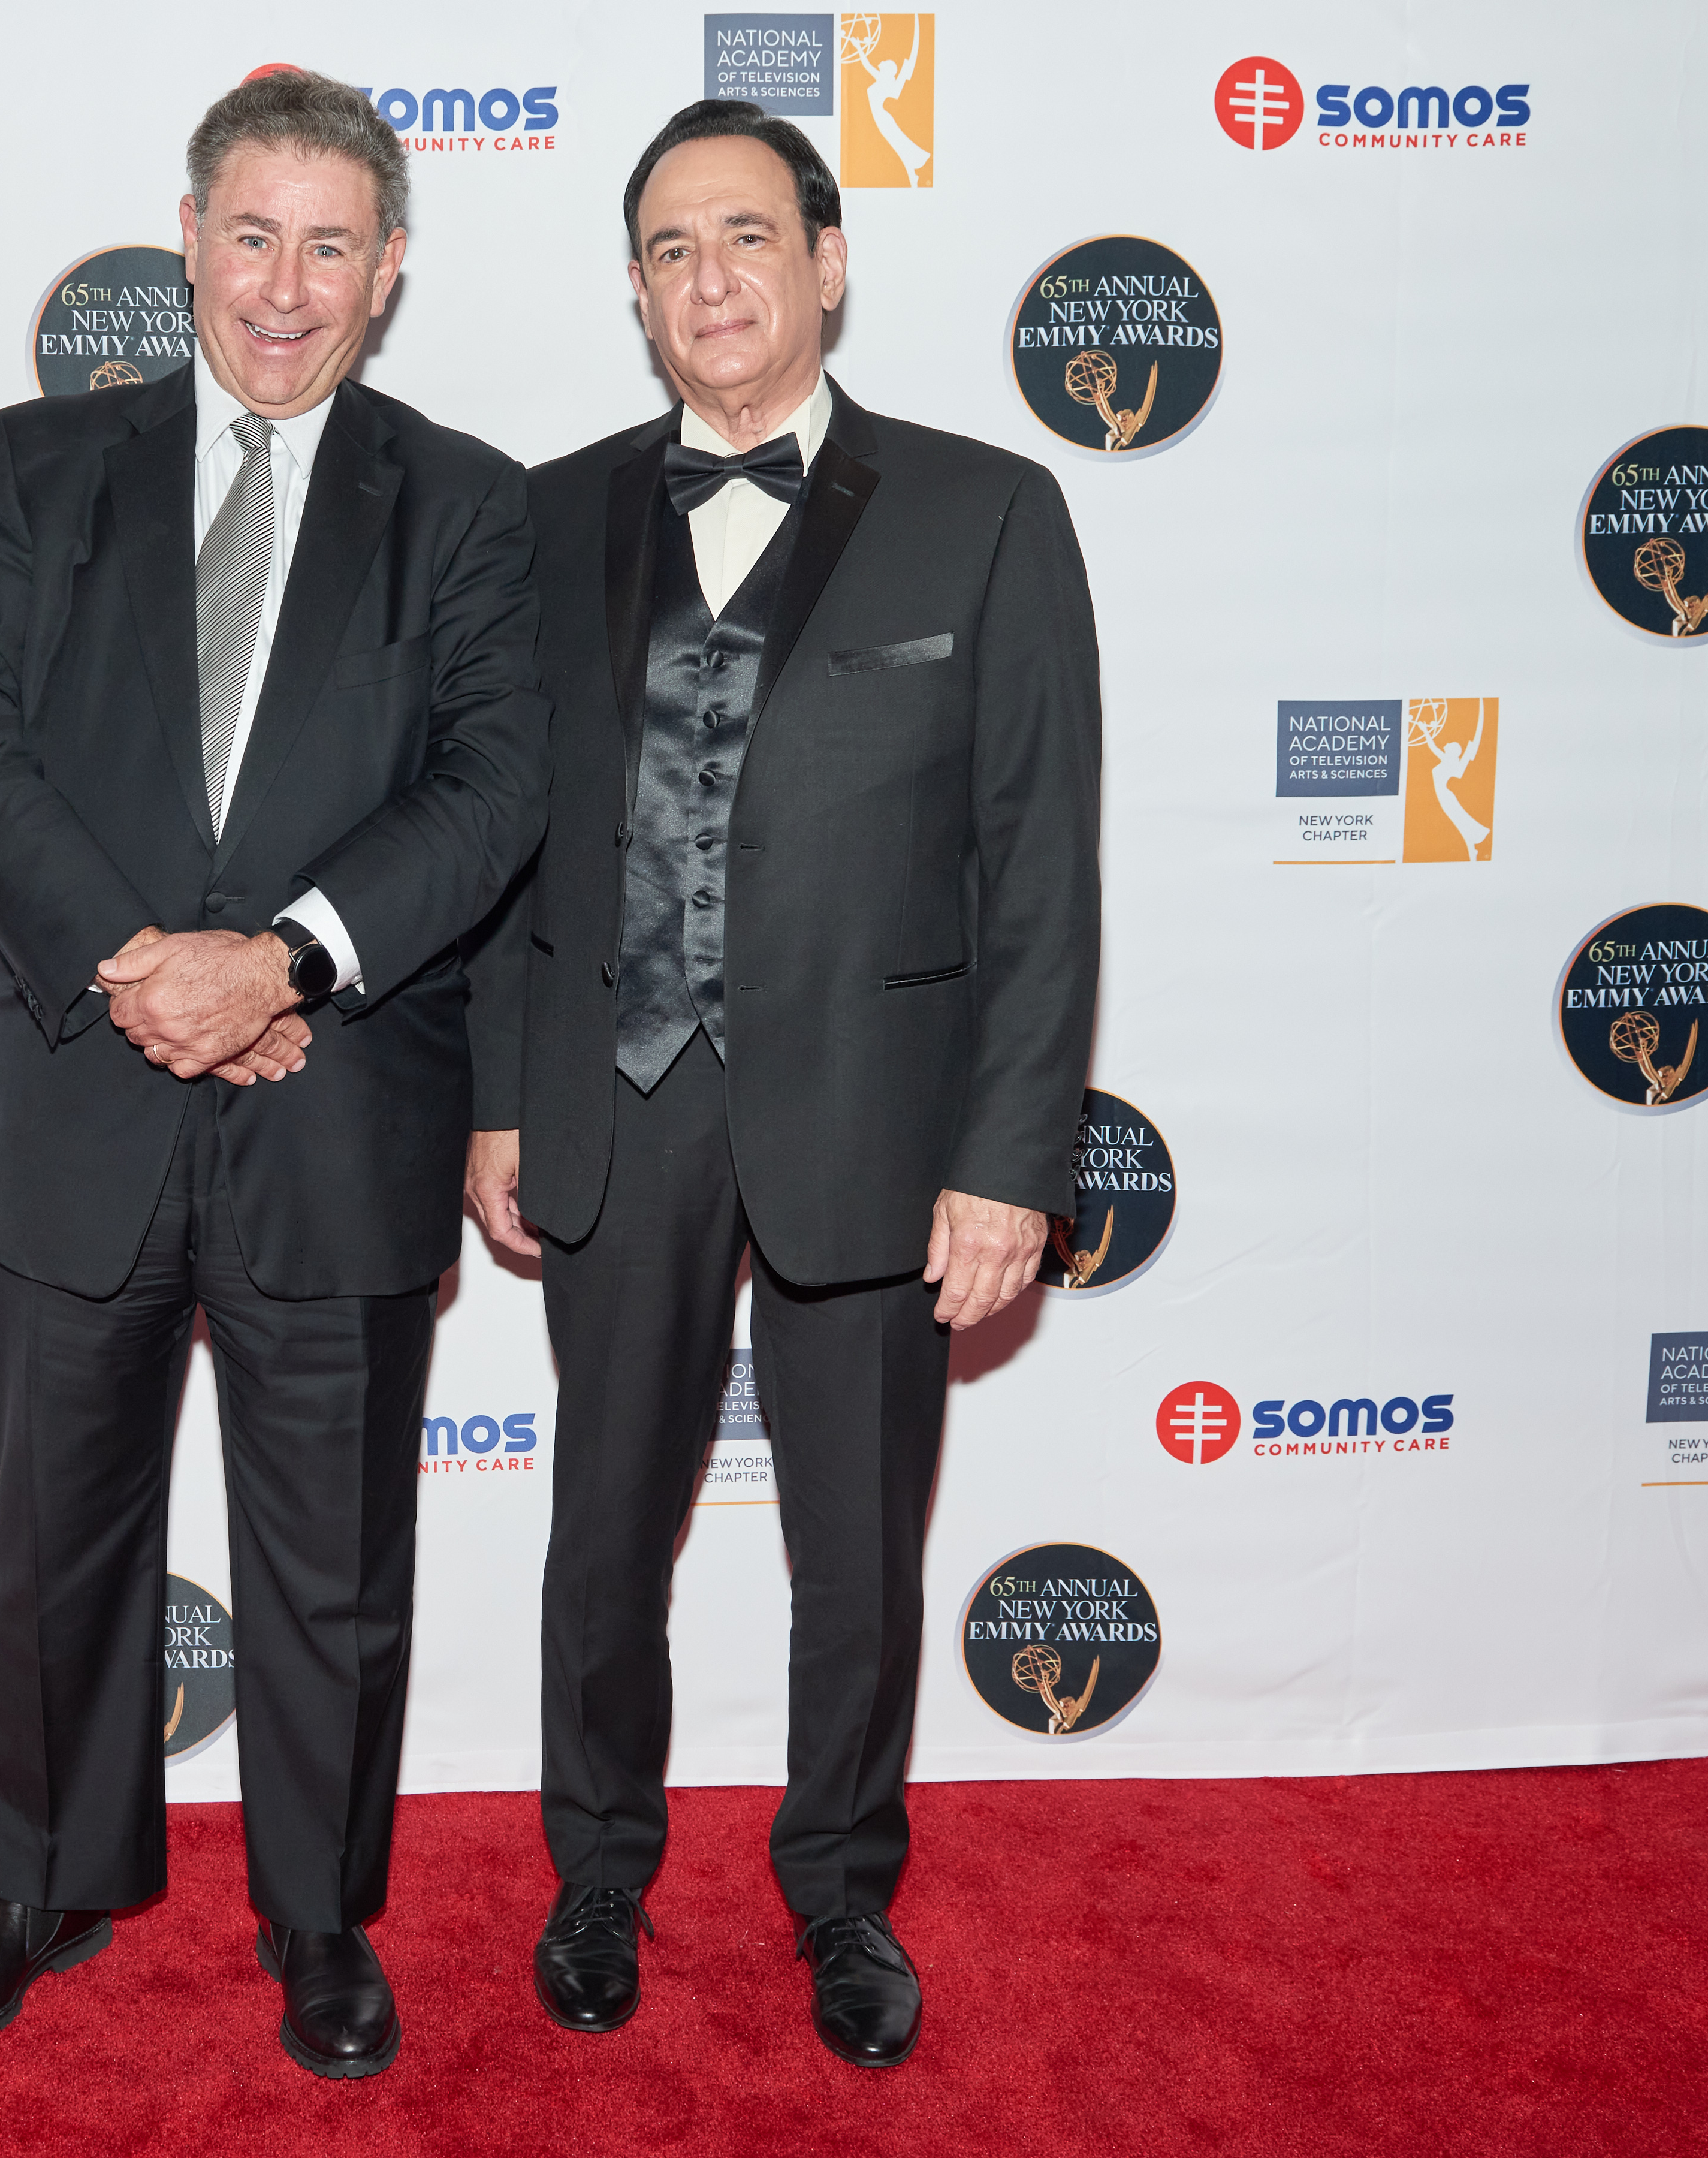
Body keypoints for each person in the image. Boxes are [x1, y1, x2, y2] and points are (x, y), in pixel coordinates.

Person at [0, 69, 548, 2080]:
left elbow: (494, 785)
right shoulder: (38, 463)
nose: (284, 286)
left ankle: (319, 1919)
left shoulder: (468, 502)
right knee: (57, 1535)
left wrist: (279, 964)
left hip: (336, 1104)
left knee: (335, 1564)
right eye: (251, 235)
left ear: (390, 267)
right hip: (80, 1092)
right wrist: (142, 973)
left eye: (329, 245)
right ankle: (43, 1882)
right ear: (186, 239)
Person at [463, 100, 1100, 2068]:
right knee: (601, 1535)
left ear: (827, 263)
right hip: (620, 1098)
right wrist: (497, 1096)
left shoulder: (989, 511)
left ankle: (843, 1892)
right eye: (670, 248)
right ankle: (597, 1872)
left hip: (880, 1125)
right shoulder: (543, 517)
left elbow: (1040, 863)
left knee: (858, 1552)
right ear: (636, 291)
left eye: (747, 235)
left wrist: (1012, 1157)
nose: (710, 278)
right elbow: (497, 842)